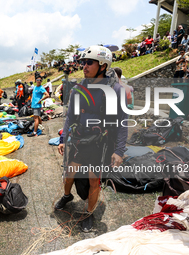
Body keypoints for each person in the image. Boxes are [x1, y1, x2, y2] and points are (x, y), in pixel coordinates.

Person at [55, 45, 127, 232]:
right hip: (80, 140)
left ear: (103, 65)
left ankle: (88, 213)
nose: (84, 66)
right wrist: (63, 138)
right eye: (83, 63)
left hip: (101, 144)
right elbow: (70, 117)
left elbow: (122, 122)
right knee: (70, 172)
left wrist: (119, 151)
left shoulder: (116, 90)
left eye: (89, 62)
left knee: (94, 180)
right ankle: (67, 195)